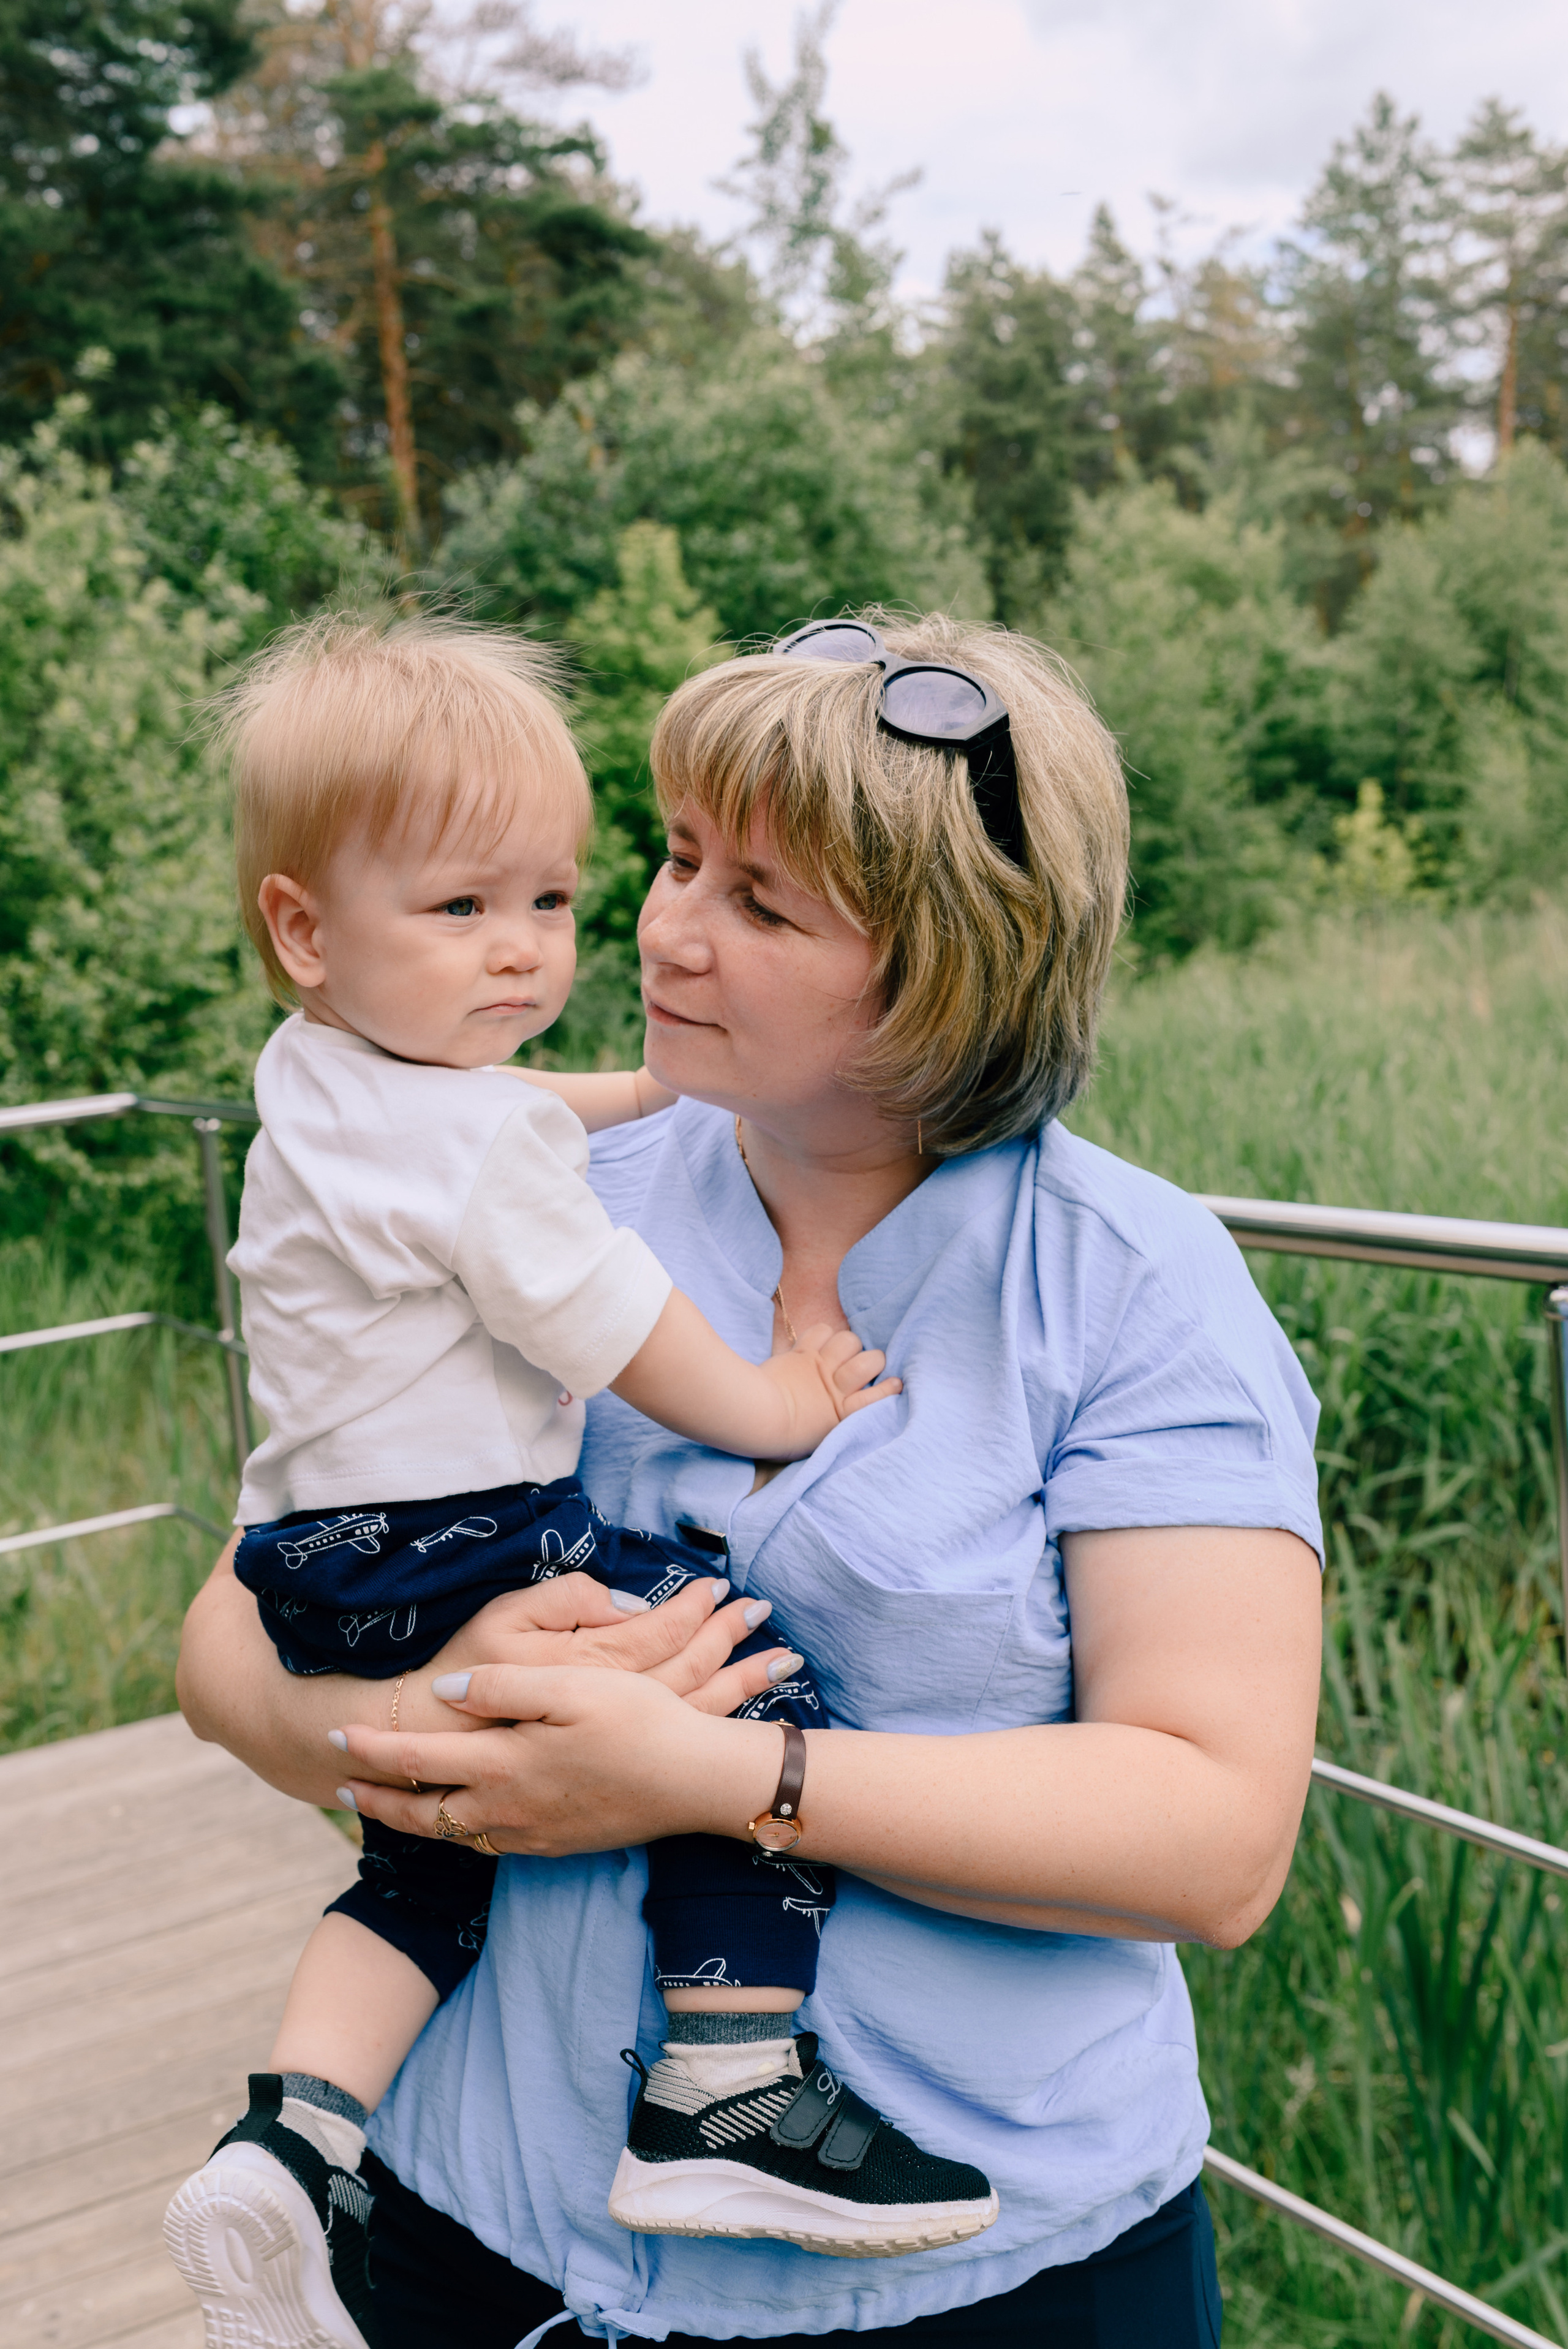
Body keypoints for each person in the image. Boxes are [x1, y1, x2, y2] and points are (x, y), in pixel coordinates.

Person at [177, 608, 1324, 2349]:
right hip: (470, 2231)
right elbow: (225, 1645)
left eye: (760, 902)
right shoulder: (550, 1175)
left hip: (975, 2280)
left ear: (951, 967)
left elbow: (1217, 1837)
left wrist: (715, 1773)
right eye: (678, 855)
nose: (662, 925)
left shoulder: (1135, 1288)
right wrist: (437, 1722)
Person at [163, 619, 993, 2349]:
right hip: (464, 1532)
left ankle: (293, 2135)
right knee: (745, 1663)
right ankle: (728, 2079)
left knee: (420, 1868)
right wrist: (782, 1389)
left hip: (311, 1554)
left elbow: (497, 1113)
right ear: (306, 928)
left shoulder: (322, 1077)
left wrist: (625, 1091)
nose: (525, 951)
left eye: (545, 900)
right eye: (462, 911)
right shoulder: (488, 1159)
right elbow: (628, 1331)